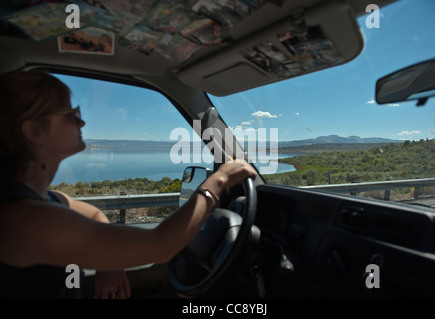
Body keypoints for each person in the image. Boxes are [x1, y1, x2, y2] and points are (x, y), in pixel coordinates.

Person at [0, 71, 257, 299]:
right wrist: (218, 181)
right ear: (34, 131)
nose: (82, 122)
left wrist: (108, 263)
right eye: (71, 114)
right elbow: (161, 247)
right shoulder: (26, 219)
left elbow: (95, 214)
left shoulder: (44, 201)